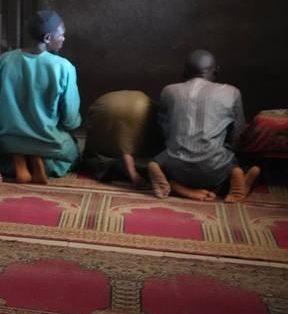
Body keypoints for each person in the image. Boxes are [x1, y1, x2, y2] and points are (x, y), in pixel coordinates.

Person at [147, 50, 260, 202]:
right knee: (229, 163)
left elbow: (162, 127)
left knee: (157, 161)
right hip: (215, 168)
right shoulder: (232, 92)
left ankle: (175, 185)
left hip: (174, 165)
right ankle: (236, 176)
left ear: (185, 74)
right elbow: (238, 134)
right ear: (215, 72)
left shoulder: (169, 91)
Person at [0, 10, 81, 183]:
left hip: (7, 142)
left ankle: (19, 158)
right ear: (47, 38)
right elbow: (69, 118)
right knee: (73, 157)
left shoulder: (5, 60)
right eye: (61, 35)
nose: (63, 39)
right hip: (49, 143)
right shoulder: (64, 67)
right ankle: (38, 160)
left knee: (4, 157)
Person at [82, 90, 165, 187]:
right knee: (150, 152)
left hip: (105, 104)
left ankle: (114, 164)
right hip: (142, 106)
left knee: (92, 158)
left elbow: (87, 126)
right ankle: (142, 165)